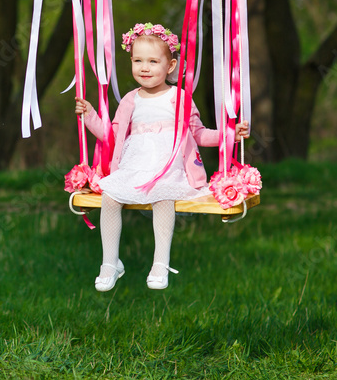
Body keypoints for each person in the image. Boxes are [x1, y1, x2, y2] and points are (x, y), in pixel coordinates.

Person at [75, 22, 249, 291]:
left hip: (168, 169)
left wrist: (229, 135)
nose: (144, 67)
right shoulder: (130, 100)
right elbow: (111, 135)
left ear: (170, 66)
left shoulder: (179, 98)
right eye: (138, 60)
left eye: (153, 61)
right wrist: (89, 116)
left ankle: (160, 262)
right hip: (134, 166)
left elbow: (199, 134)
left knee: (163, 195)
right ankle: (110, 262)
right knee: (110, 197)